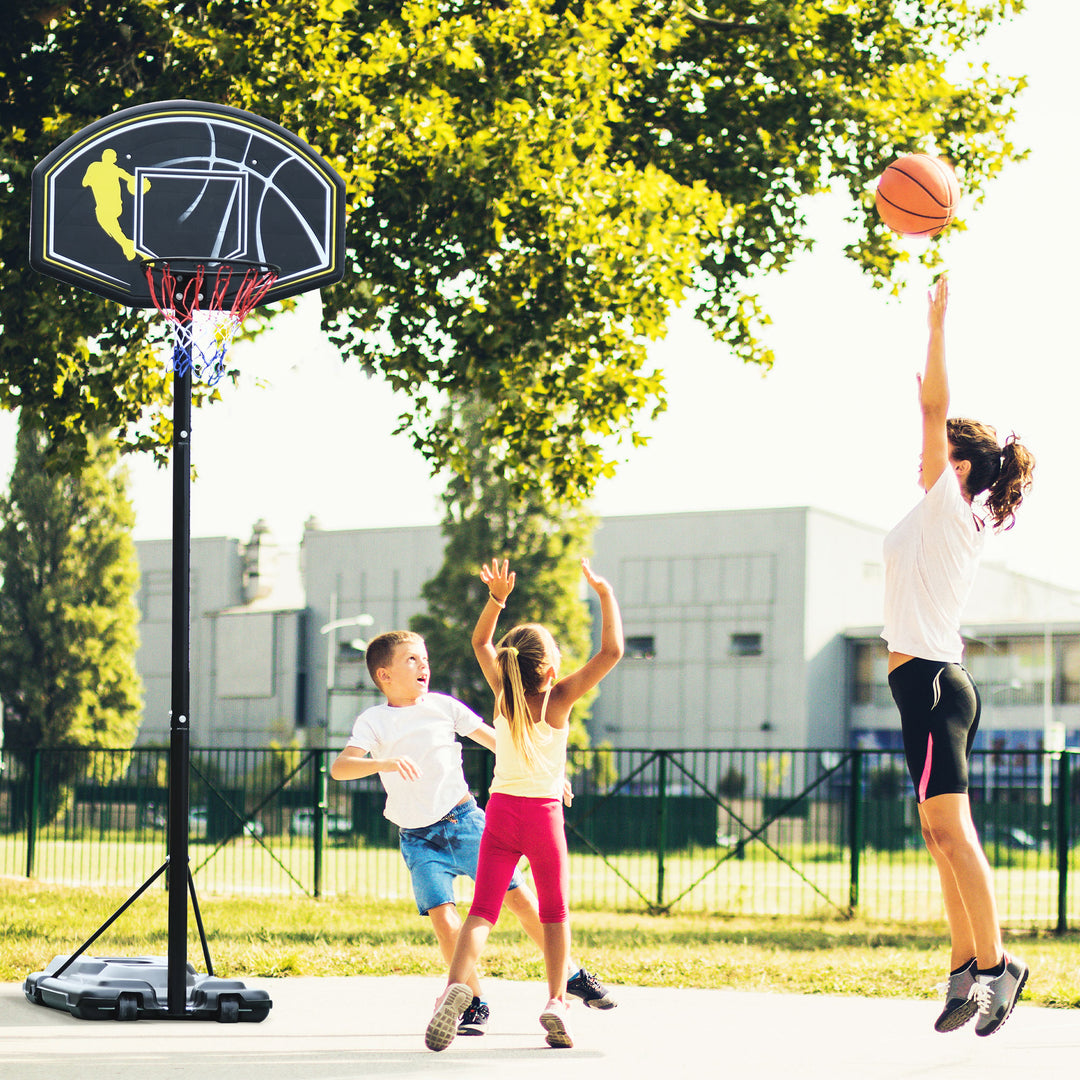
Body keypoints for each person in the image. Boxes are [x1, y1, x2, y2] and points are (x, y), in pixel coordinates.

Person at [330, 629, 615, 1040]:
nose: (423, 665)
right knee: (444, 918)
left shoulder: (444, 707)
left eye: (424, 658)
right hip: (417, 838)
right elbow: (341, 767)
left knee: (519, 901)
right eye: (411, 659)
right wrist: (383, 763)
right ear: (384, 675)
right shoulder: (374, 721)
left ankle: (571, 973)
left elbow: (502, 740)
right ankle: (472, 1000)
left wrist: (550, 772)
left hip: (464, 822)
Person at [883, 275, 1035, 1037]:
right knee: (938, 831)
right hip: (920, 687)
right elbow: (933, 420)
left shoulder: (950, 503)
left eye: (937, 447)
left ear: (960, 464)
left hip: (938, 685)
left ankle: (998, 964)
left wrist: (937, 326)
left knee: (954, 830)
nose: (924, 451)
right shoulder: (936, 511)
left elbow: (937, 409)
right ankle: (960, 966)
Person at [425, 557, 624, 1052]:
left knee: (481, 913)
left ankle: (456, 988)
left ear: (512, 664)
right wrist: (604, 594)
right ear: (551, 669)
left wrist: (496, 599)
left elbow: (479, 643)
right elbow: (613, 650)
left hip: (501, 815)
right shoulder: (559, 698)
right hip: (541, 818)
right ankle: (557, 1001)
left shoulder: (503, 695)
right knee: (554, 913)